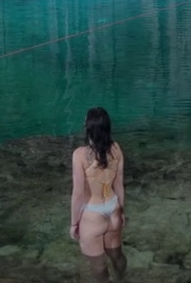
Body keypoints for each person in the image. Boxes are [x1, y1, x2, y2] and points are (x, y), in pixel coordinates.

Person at [70, 107, 127, 281]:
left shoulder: (80, 155)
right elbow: (119, 184)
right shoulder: (116, 149)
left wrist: (73, 224)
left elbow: (78, 193)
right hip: (113, 209)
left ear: (87, 127)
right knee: (117, 256)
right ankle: (122, 279)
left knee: (99, 266)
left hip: (93, 215)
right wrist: (121, 211)